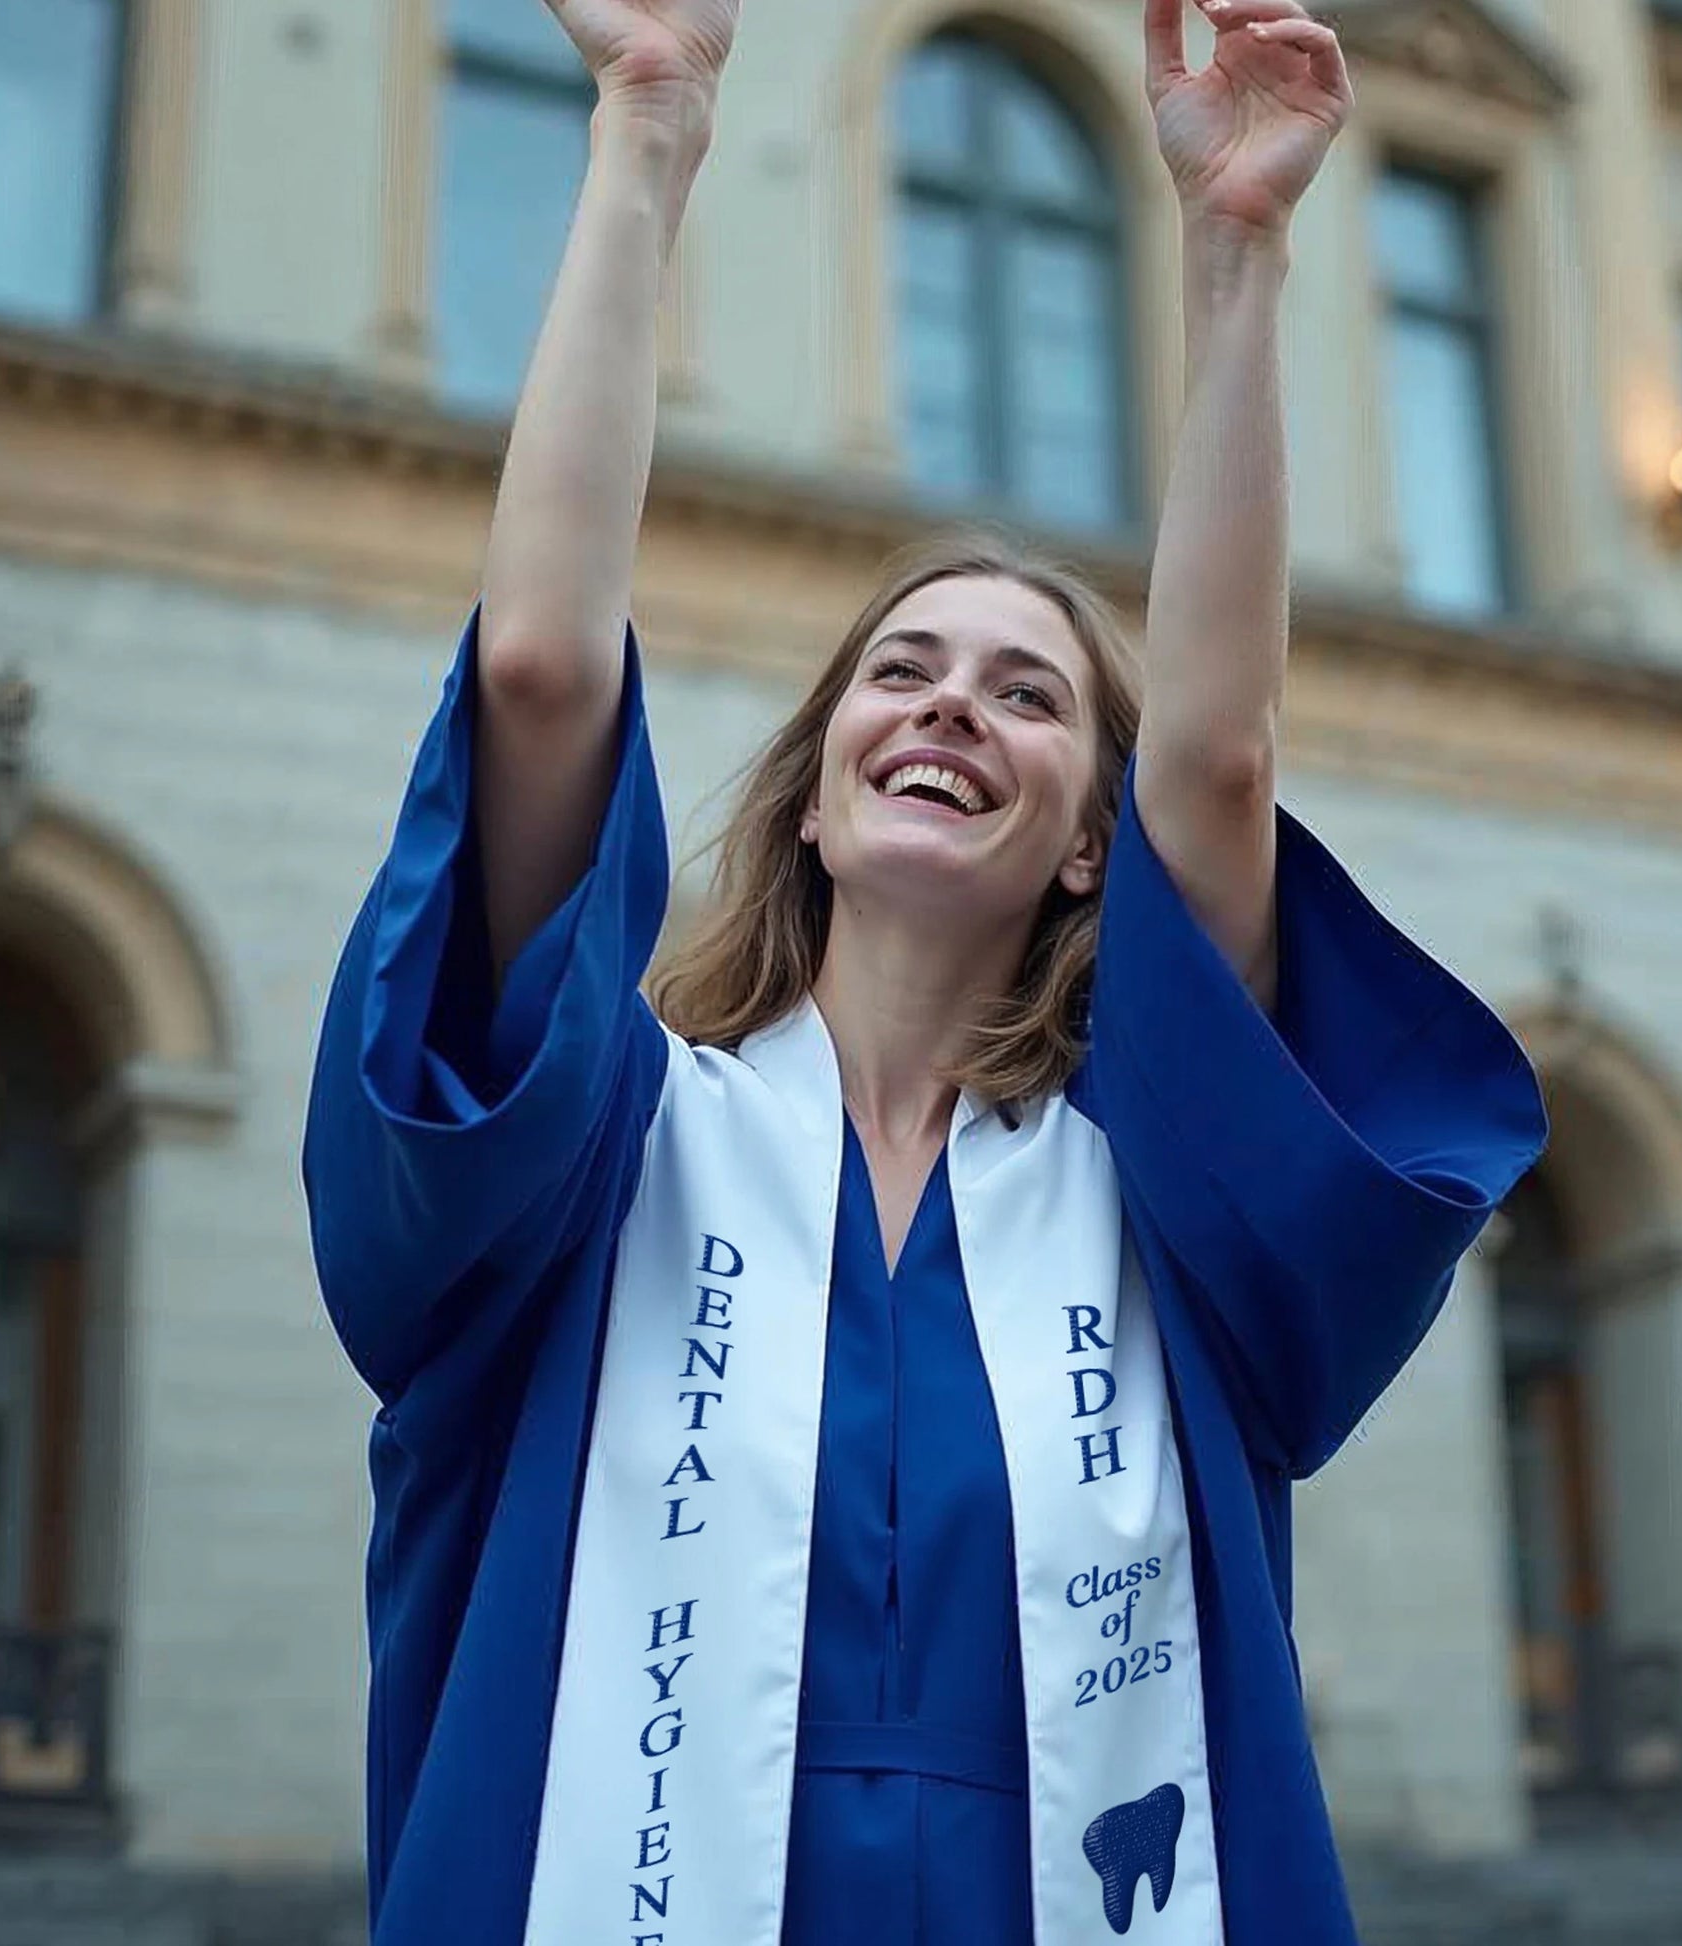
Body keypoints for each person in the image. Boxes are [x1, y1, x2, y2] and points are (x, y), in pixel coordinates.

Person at [302, 0, 1548, 1941]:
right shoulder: (603, 1167)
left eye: (1028, 692)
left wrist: (1235, 251)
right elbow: (540, 668)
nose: (951, 700)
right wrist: (648, 129)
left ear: (1086, 844)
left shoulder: (1160, 1224)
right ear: (812, 796)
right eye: (902, 668)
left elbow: (1218, 756)